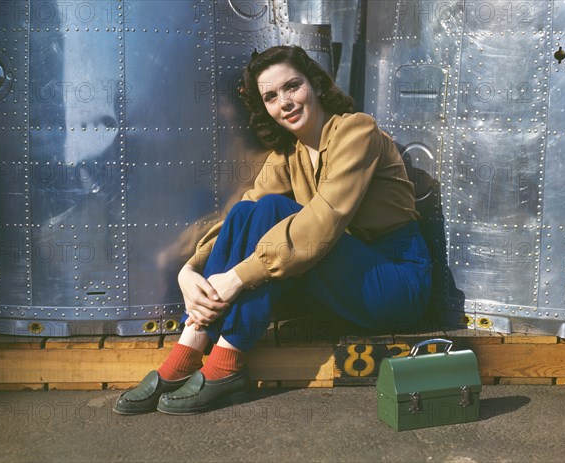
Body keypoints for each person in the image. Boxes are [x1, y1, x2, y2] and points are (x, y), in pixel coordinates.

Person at [113, 45, 432, 415]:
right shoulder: (288, 156)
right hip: (341, 283)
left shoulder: (356, 131)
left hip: (394, 281)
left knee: (273, 210)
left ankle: (224, 365)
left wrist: (237, 277)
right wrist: (190, 269)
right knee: (250, 209)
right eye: (271, 96)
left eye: (292, 86)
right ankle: (190, 344)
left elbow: (323, 223)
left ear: (315, 83)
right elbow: (240, 216)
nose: (285, 102)